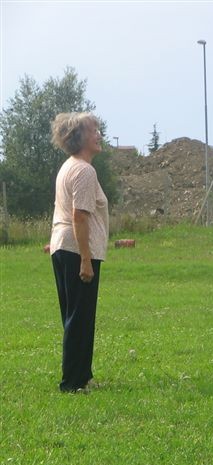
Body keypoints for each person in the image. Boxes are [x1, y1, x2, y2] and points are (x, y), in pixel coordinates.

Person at [49, 112, 109, 393]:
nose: (98, 134)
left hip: (63, 246)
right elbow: (79, 216)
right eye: (92, 129)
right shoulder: (85, 170)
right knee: (80, 317)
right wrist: (85, 259)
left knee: (75, 316)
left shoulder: (68, 167)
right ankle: (72, 383)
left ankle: (82, 377)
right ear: (78, 137)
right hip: (77, 250)